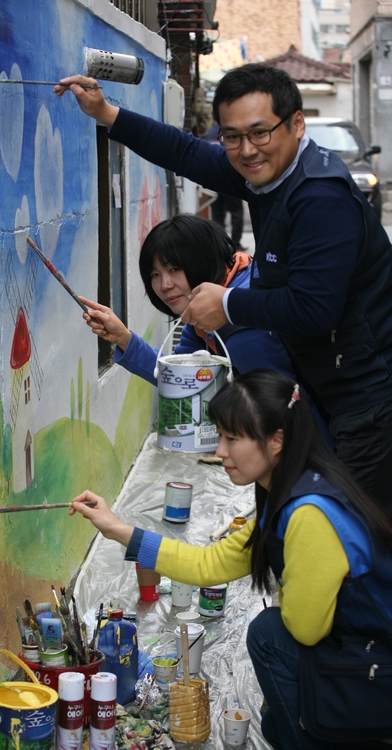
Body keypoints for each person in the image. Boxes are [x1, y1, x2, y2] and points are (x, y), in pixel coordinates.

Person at [54, 64, 392, 513]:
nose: (246, 150)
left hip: (368, 403)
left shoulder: (318, 197)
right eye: (232, 136)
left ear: (296, 123)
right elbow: (187, 153)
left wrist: (228, 304)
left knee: (355, 538)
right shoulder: (268, 173)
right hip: (337, 393)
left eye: (258, 133)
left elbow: (315, 311)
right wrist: (107, 113)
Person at [69, 369, 392, 749]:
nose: (219, 451)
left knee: (270, 635)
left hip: (377, 671)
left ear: (277, 441)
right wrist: (119, 529)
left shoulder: (310, 515)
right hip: (361, 654)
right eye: (219, 436)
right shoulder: (296, 487)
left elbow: (305, 630)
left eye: (232, 438)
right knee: (274, 725)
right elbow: (210, 564)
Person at [80, 213, 332, 441]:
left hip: (308, 446)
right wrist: (123, 337)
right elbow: (180, 375)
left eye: (174, 269)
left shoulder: (239, 320)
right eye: (155, 274)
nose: (164, 284)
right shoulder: (207, 305)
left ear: (203, 259)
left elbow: (284, 406)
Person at [203, 122, 245, 249]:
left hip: (212, 181)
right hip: (229, 177)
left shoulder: (209, 133)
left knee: (217, 214)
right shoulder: (230, 131)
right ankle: (235, 243)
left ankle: (220, 245)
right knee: (236, 212)